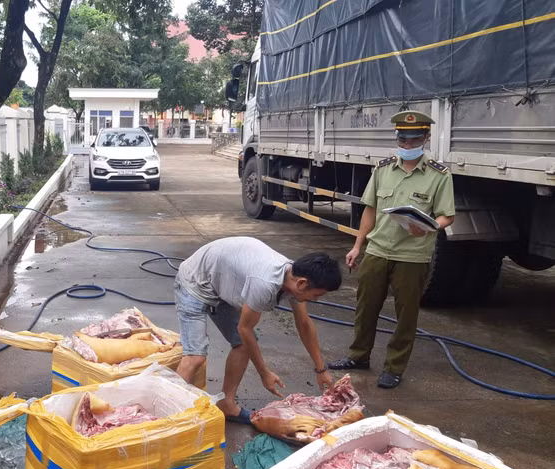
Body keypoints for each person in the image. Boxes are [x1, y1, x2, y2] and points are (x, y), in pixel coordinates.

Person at [328, 110, 456, 389]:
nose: (408, 145)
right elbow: (370, 210)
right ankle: (358, 355)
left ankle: (394, 367)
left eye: (414, 140)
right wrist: (358, 245)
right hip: (378, 250)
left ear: (426, 138)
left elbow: (447, 215)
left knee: (406, 315)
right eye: (402, 139)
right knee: (365, 307)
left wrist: (431, 227)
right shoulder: (383, 169)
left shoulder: (439, 175)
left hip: (412, 255)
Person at [173, 237, 342, 424]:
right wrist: (264, 373)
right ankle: (169, 420)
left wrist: (321, 369)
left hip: (222, 281)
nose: (316, 300)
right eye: (317, 295)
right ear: (301, 284)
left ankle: (227, 404)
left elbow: (304, 324)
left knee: (242, 346)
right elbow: (244, 329)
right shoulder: (265, 284)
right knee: (195, 357)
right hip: (196, 281)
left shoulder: (295, 277)